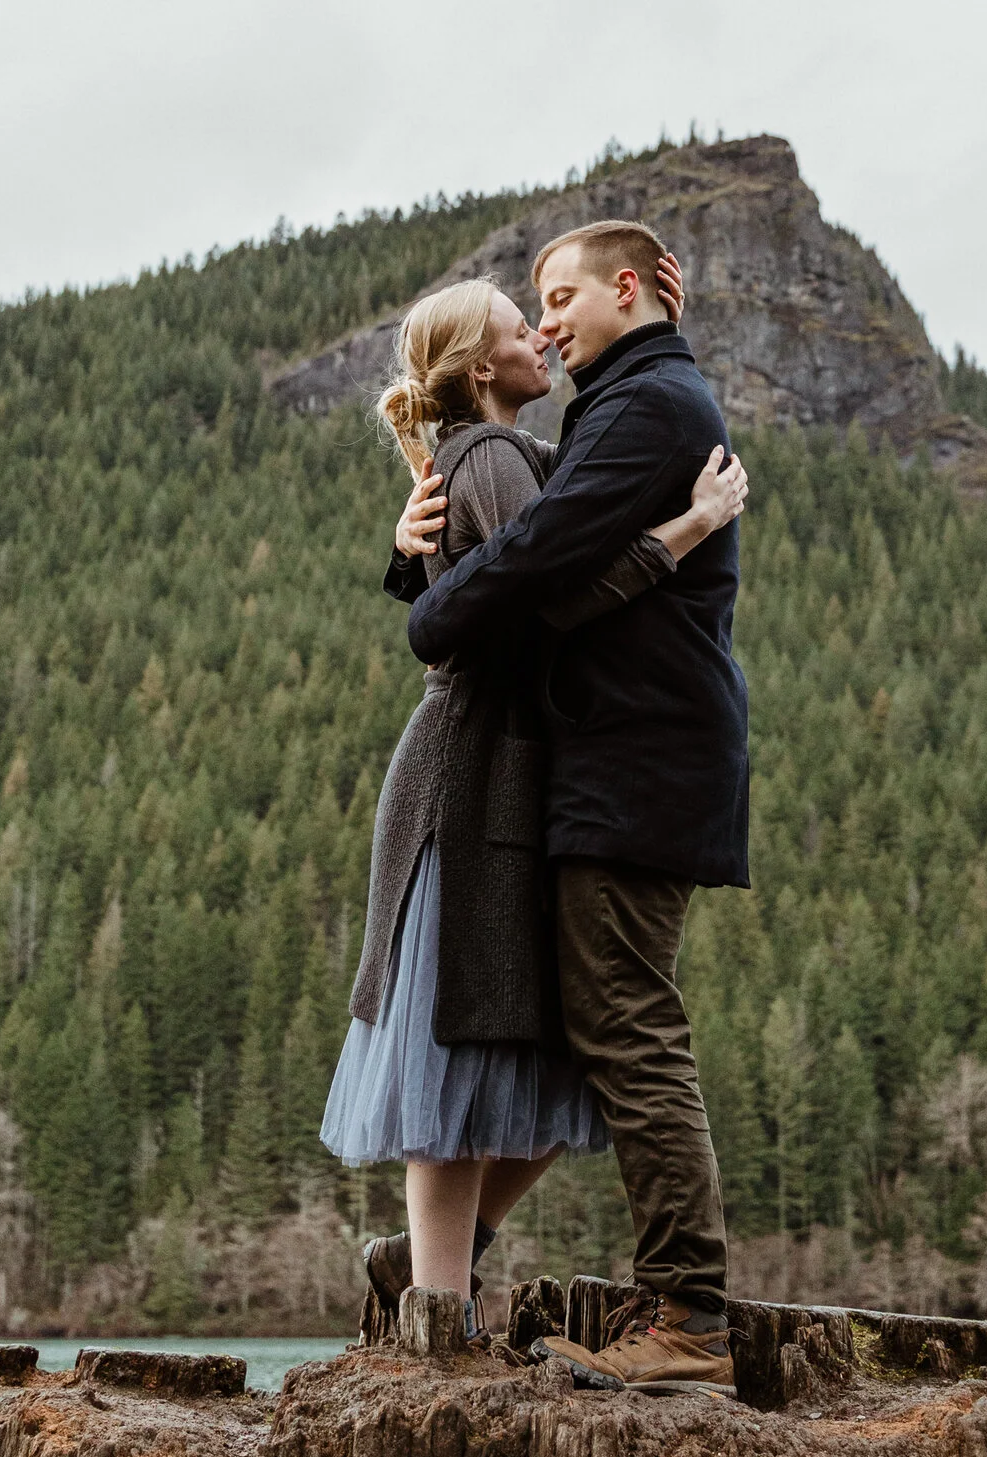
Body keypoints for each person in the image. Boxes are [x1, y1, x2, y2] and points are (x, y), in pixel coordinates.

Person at [320, 257, 749, 1345]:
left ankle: (420, 1272)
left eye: (552, 312)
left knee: (525, 1044)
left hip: (502, 769)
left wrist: (651, 329)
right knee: (452, 1037)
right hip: (470, 774)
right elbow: (550, 595)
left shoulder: (517, 452)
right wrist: (685, 534)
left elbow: (587, 487)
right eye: (525, 324)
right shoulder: (500, 455)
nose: (542, 337)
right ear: (481, 364)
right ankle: (439, 1304)